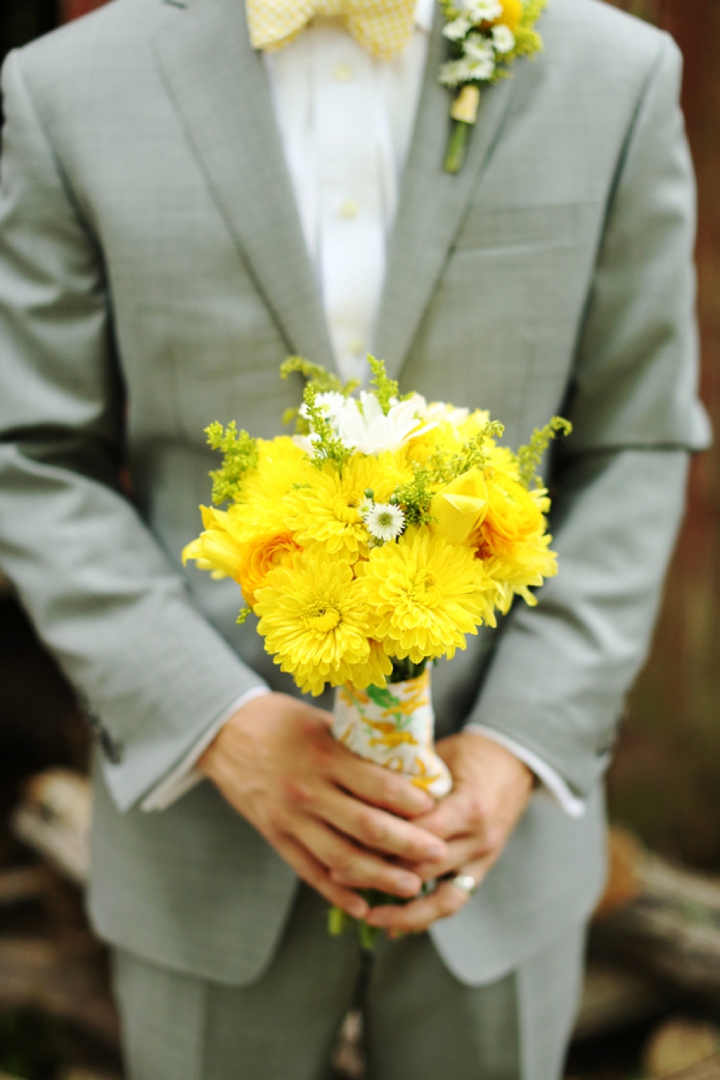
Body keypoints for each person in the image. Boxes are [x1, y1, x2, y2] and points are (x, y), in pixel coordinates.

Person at [0, 0, 710, 1076]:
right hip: (204, 845)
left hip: (499, 860)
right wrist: (218, 726)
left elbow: (638, 440)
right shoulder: (67, 87)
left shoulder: (617, 72)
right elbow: (31, 452)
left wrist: (522, 741)